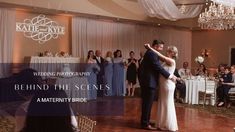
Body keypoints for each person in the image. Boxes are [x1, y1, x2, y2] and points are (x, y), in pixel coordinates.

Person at [139, 40, 177, 130]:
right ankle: (145, 123)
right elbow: (158, 67)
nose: (162, 49)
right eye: (161, 47)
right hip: (149, 82)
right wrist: (170, 76)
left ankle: (147, 121)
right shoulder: (152, 54)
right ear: (155, 46)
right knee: (147, 104)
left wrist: (172, 76)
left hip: (155, 83)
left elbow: (162, 67)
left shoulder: (152, 53)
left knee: (148, 103)